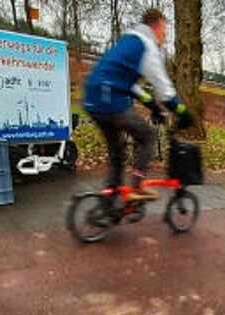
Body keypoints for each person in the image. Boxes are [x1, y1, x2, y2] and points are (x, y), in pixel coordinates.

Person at [83, 8, 192, 201]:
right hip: (111, 100)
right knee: (147, 137)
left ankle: (109, 197)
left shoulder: (128, 40)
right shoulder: (147, 46)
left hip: (93, 98)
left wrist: (153, 107)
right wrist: (182, 112)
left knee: (117, 150)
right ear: (155, 26)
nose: (164, 37)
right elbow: (163, 88)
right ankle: (137, 186)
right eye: (164, 31)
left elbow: (129, 84)